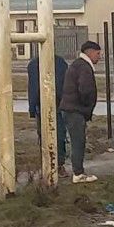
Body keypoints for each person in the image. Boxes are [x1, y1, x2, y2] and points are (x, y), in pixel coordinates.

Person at [59, 41, 101, 184]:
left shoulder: (77, 65)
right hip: (75, 110)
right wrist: (87, 107)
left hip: (71, 109)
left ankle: (78, 171)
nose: (99, 57)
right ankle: (78, 173)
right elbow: (85, 89)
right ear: (89, 52)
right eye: (98, 53)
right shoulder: (84, 67)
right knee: (78, 142)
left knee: (77, 141)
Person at [28, 54, 69, 177]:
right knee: (44, 135)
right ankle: (47, 164)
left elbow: (64, 85)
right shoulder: (33, 65)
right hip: (40, 106)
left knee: (59, 135)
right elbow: (32, 88)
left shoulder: (60, 63)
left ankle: (59, 164)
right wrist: (32, 107)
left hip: (57, 105)